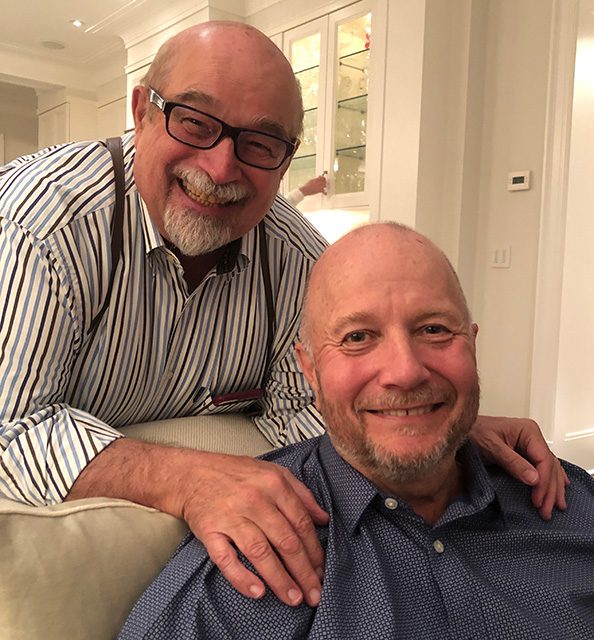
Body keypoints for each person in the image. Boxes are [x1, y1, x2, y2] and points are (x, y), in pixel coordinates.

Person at [0, 22, 565, 608]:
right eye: (194, 122)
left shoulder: (298, 260)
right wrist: (187, 477)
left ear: (287, 158)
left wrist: (436, 426)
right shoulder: (40, 226)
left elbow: (316, 410)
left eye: (261, 144)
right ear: (142, 111)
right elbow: (8, 425)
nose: (221, 169)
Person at [118, 222, 594, 640]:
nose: (405, 372)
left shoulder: (569, 504)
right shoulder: (254, 556)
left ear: (471, 343)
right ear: (309, 369)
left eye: (433, 330)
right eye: (358, 337)